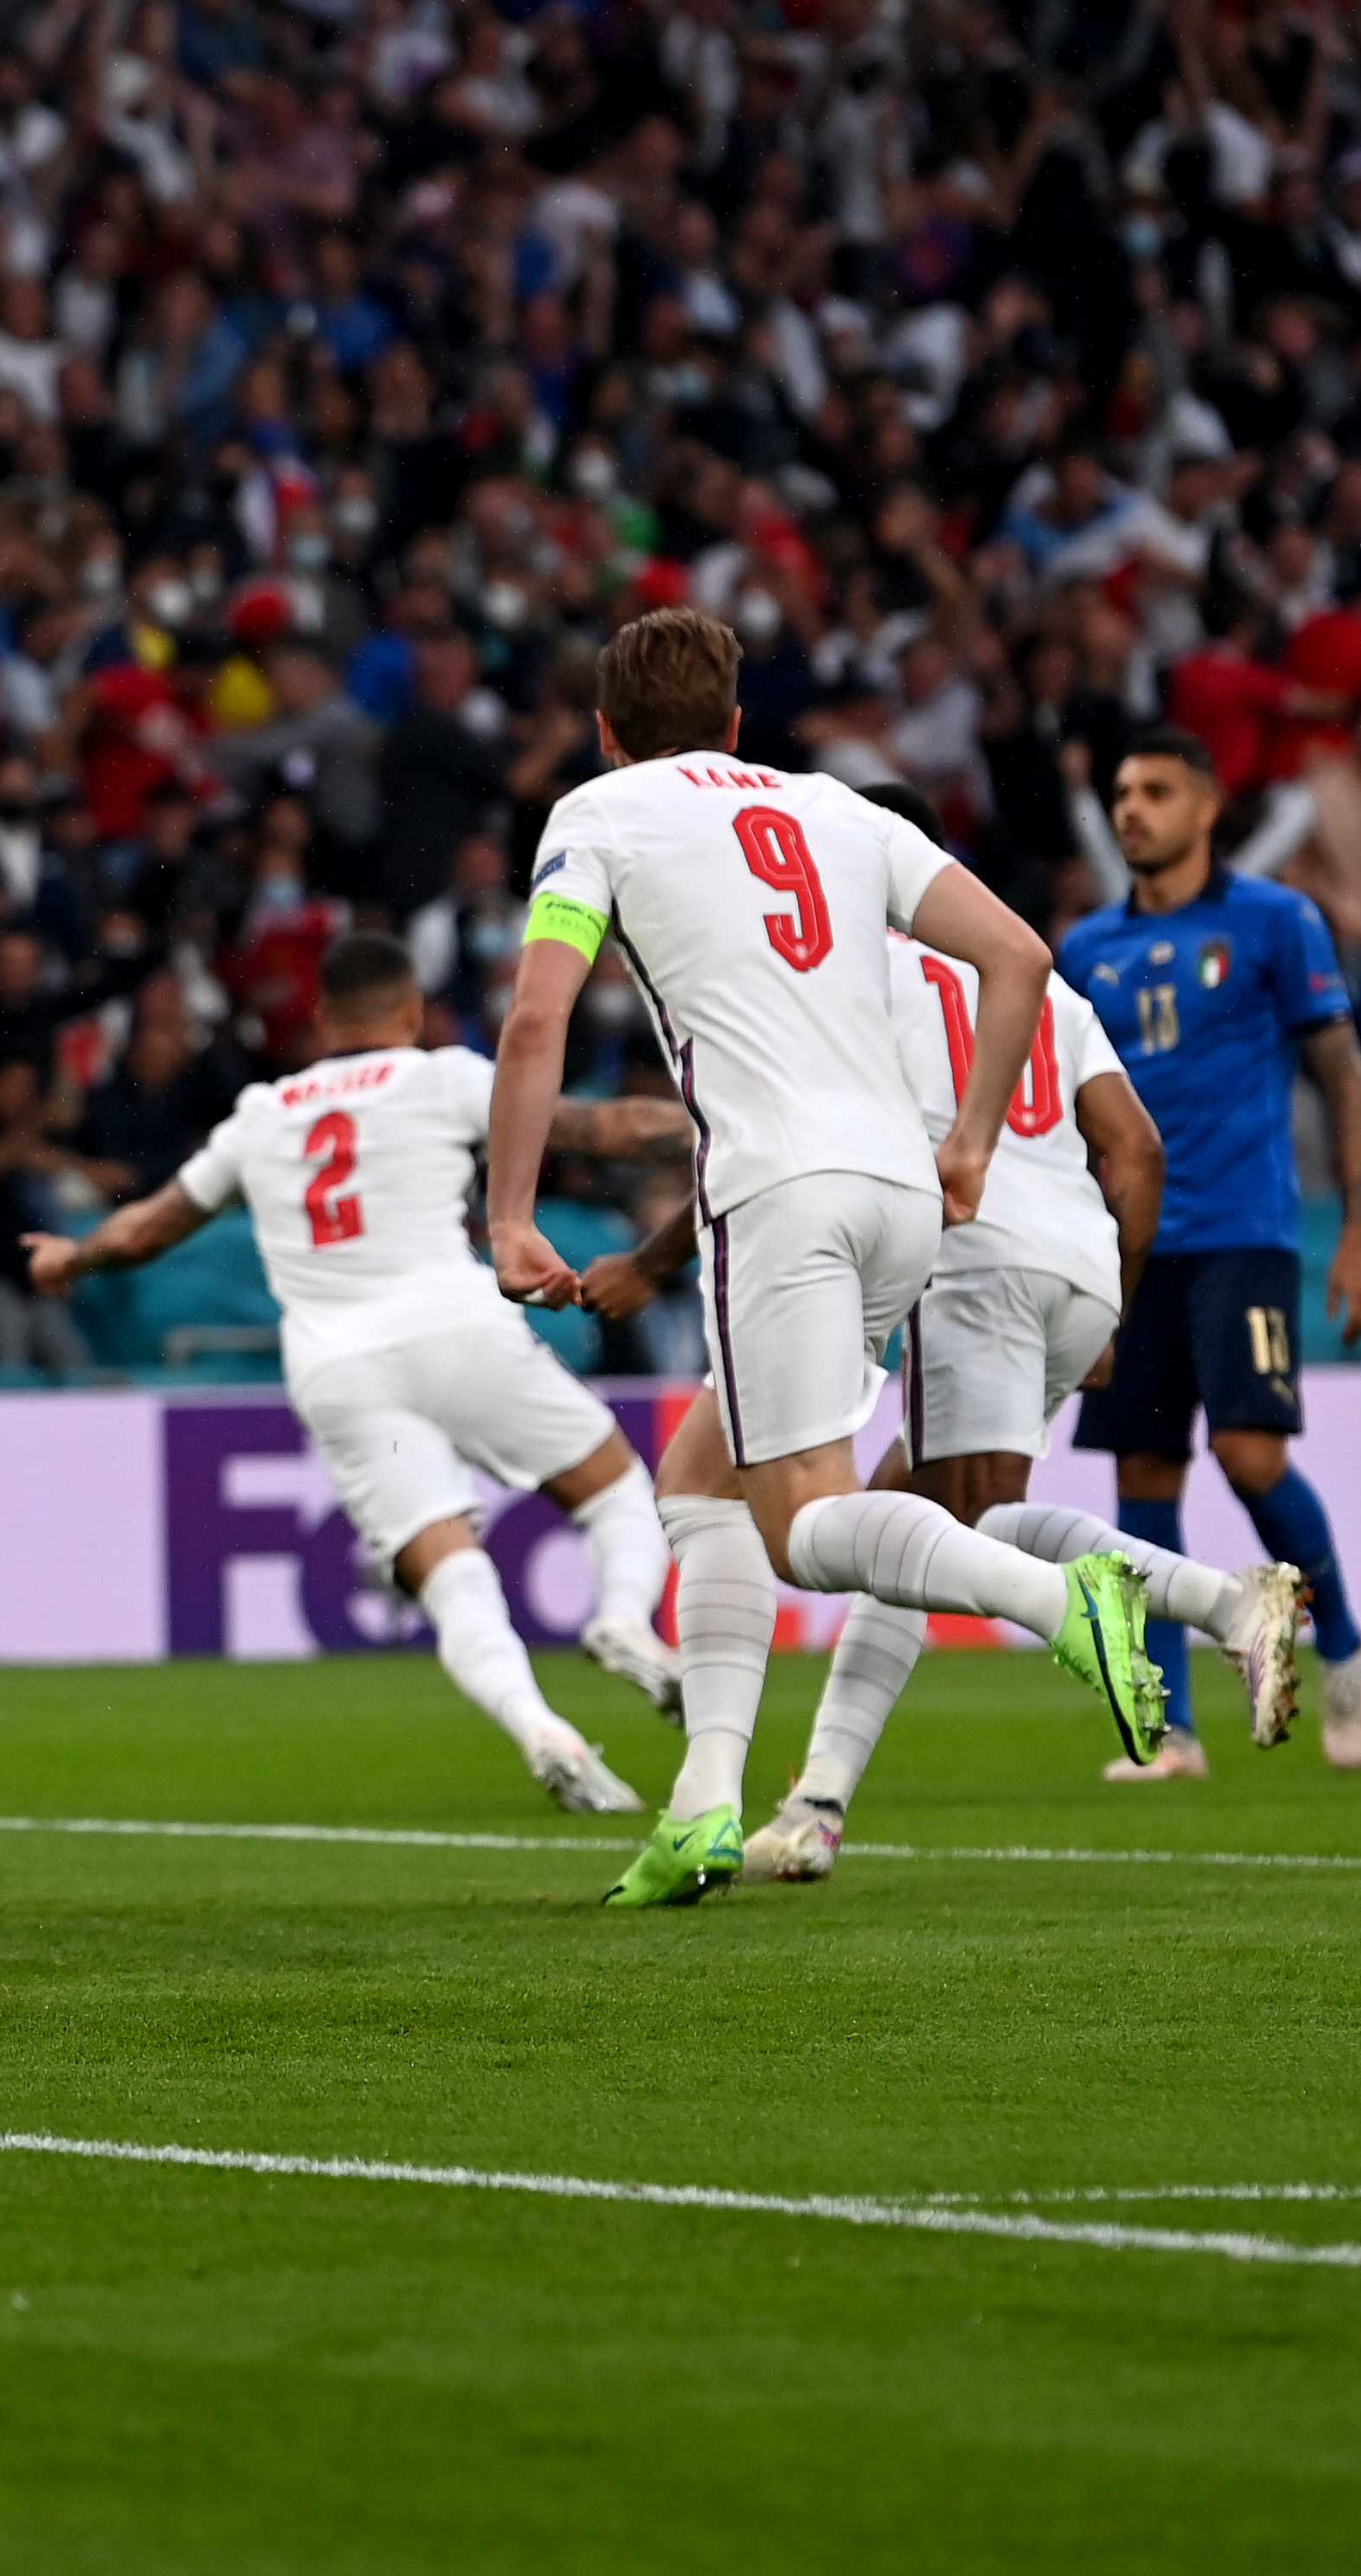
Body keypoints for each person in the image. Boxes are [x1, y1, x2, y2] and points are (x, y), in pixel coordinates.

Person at [487, 608, 1171, 1910]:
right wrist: (967, 1141)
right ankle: (701, 1808)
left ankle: (1058, 1602)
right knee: (700, 1481)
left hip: (776, 1192)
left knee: (802, 1529)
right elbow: (1018, 953)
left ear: (604, 731)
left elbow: (536, 1015)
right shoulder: (836, 808)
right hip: (897, 1195)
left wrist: (508, 1214)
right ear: (736, 727)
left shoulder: (598, 812)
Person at [584, 784, 1302, 1880]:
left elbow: (786, 1143)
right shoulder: (1042, 986)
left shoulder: (849, 977)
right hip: (1076, 1267)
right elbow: (1138, 1149)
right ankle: (813, 1806)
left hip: (973, 1264)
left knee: (961, 1525)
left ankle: (1222, 1602)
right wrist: (1110, 1293)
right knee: (904, 1518)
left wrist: (649, 1261)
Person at [27, 932, 686, 1813]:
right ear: (411, 1012)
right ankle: (623, 1618)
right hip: (454, 1327)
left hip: (337, 1364)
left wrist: (68, 1261)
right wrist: (720, 1124)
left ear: (321, 1019)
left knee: (448, 1572)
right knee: (614, 1494)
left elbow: (144, 1229)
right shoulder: (442, 1075)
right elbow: (601, 1128)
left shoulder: (264, 1110)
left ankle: (540, 1727)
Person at [1060, 730, 1361, 1774]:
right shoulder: (1085, 951)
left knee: (1251, 1459)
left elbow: (1344, 1074)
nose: (1131, 809)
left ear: (1207, 808)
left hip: (1245, 1232)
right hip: (1131, 1249)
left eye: (1155, 790)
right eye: (1120, 791)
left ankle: (1340, 1649)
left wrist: (1360, 1237)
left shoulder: (1276, 921)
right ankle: (1174, 1731)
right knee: (1144, 1479)